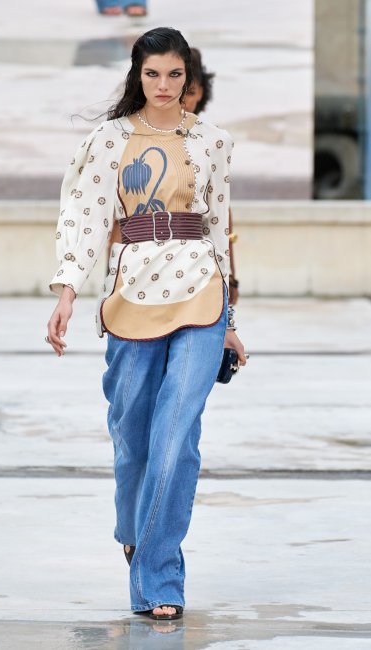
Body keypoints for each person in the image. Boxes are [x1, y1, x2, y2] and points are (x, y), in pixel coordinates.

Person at [46, 27, 247, 621]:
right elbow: (83, 218)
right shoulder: (108, 141)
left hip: (201, 291)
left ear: (189, 79)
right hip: (132, 290)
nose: (164, 85)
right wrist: (66, 293)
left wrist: (230, 319)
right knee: (132, 436)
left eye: (175, 75)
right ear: (138, 75)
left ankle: (160, 576)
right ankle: (135, 531)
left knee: (176, 437)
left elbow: (218, 228)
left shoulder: (212, 141)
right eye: (153, 74)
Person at [184, 48, 240, 304]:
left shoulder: (212, 142)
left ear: (202, 93)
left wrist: (231, 276)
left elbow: (221, 211)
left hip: (201, 264)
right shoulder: (137, 137)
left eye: (191, 92)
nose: (184, 101)